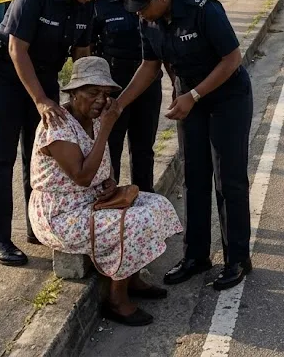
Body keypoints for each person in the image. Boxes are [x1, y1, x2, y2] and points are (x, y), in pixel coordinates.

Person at [0, 0, 127, 266]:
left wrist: (89, 96)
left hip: (44, 77)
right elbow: (17, 49)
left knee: (40, 153)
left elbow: (82, 55)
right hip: (5, 77)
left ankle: (37, 227)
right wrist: (41, 101)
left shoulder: (86, 5)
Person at [117, 0, 253, 291]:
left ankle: (237, 259)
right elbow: (149, 66)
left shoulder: (203, 10)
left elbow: (232, 59)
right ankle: (196, 255)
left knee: (228, 178)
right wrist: (120, 103)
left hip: (227, 97)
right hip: (189, 98)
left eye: (142, 6)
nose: (139, 13)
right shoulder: (148, 21)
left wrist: (193, 94)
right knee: (194, 176)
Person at [29, 56, 181, 325]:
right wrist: (108, 127)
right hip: (60, 215)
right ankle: (116, 300)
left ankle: (132, 277)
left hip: (90, 201)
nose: (101, 100)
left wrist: (109, 181)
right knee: (134, 222)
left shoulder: (95, 118)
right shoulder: (58, 125)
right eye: (93, 92)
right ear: (74, 93)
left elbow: (101, 164)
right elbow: (82, 176)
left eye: (106, 93)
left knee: (156, 205)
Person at [89, 0, 159, 192]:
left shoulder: (149, 0)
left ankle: (145, 199)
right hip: (113, 87)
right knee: (111, 147)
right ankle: (112, 202)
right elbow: (88, 50)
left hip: (148, 85)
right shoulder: (100, 5)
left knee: (144, 148)